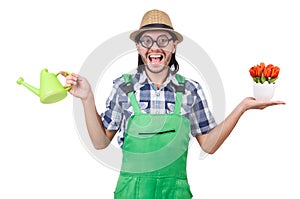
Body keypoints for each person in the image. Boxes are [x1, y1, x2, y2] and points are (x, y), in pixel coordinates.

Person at [62, 9, 285, 199]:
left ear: (174, 45)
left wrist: (242, 107)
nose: (155, 48)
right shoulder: (123, 87)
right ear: (139, 47)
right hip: (132, 193)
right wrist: (87, 98)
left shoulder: (190, 89)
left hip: (175, 193)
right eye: (147, 41)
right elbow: (100, 143)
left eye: (163, 40)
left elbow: (208, 145)